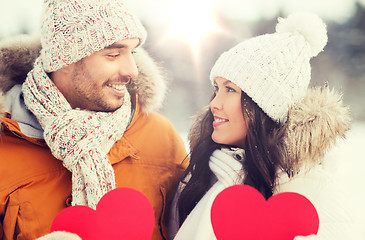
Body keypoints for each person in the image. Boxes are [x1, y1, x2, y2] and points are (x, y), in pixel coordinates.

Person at [0, 0, 188, 239]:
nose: (132, 70)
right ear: (64, 59)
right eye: (113, 54)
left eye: (133, 52)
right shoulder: (6, 147)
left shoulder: (162, 139)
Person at [168, 12, 359, 240]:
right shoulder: (197, 179)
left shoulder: (316, 191)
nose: (214, 103)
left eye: (230, 90)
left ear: (266, 108)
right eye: (217, 88)